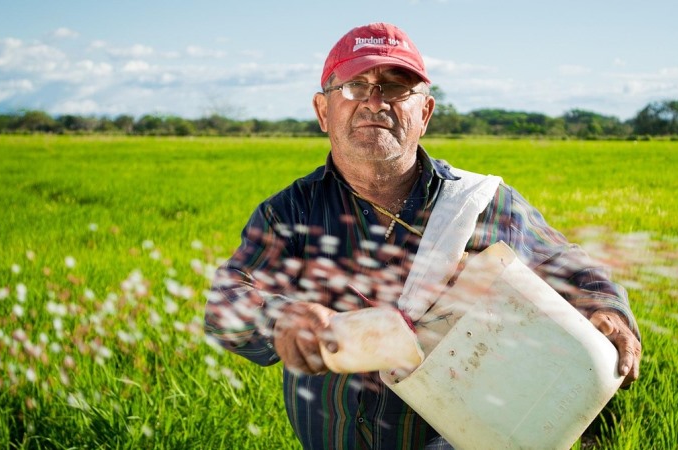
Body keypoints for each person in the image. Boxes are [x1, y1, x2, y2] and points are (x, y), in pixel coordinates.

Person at [205, 22, 641, 450]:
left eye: (396, 88)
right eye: (356, 86)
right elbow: (227, 300)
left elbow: (567, 264)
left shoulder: (478, 203)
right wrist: (280, 319)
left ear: (425, 113)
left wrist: (606, 309)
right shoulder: (290, 212)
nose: (375, 102)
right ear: (323, 111)